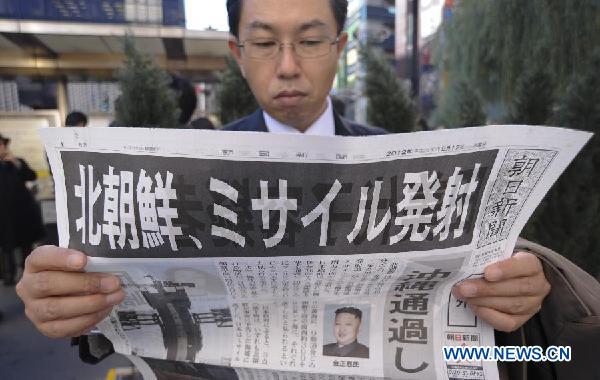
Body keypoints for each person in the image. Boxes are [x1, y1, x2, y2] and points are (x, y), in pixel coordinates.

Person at [16, 0, 549, 361]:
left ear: (339, 49)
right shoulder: (184, 174)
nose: (289, 66)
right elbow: (126, 321)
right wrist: (74, 311)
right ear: (236, 53)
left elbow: (471, 333)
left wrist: (514, 303)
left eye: (311, 40)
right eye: (265, 43)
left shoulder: (408, 169)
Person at [0, 134, 44, 286]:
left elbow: (31, 176)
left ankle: (28, 273)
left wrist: (15, 162)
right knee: (7, 246)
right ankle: (8, 276)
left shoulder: (16, 162)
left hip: (22, 211)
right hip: (3, 215)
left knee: (26, 244)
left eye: (2, 144)